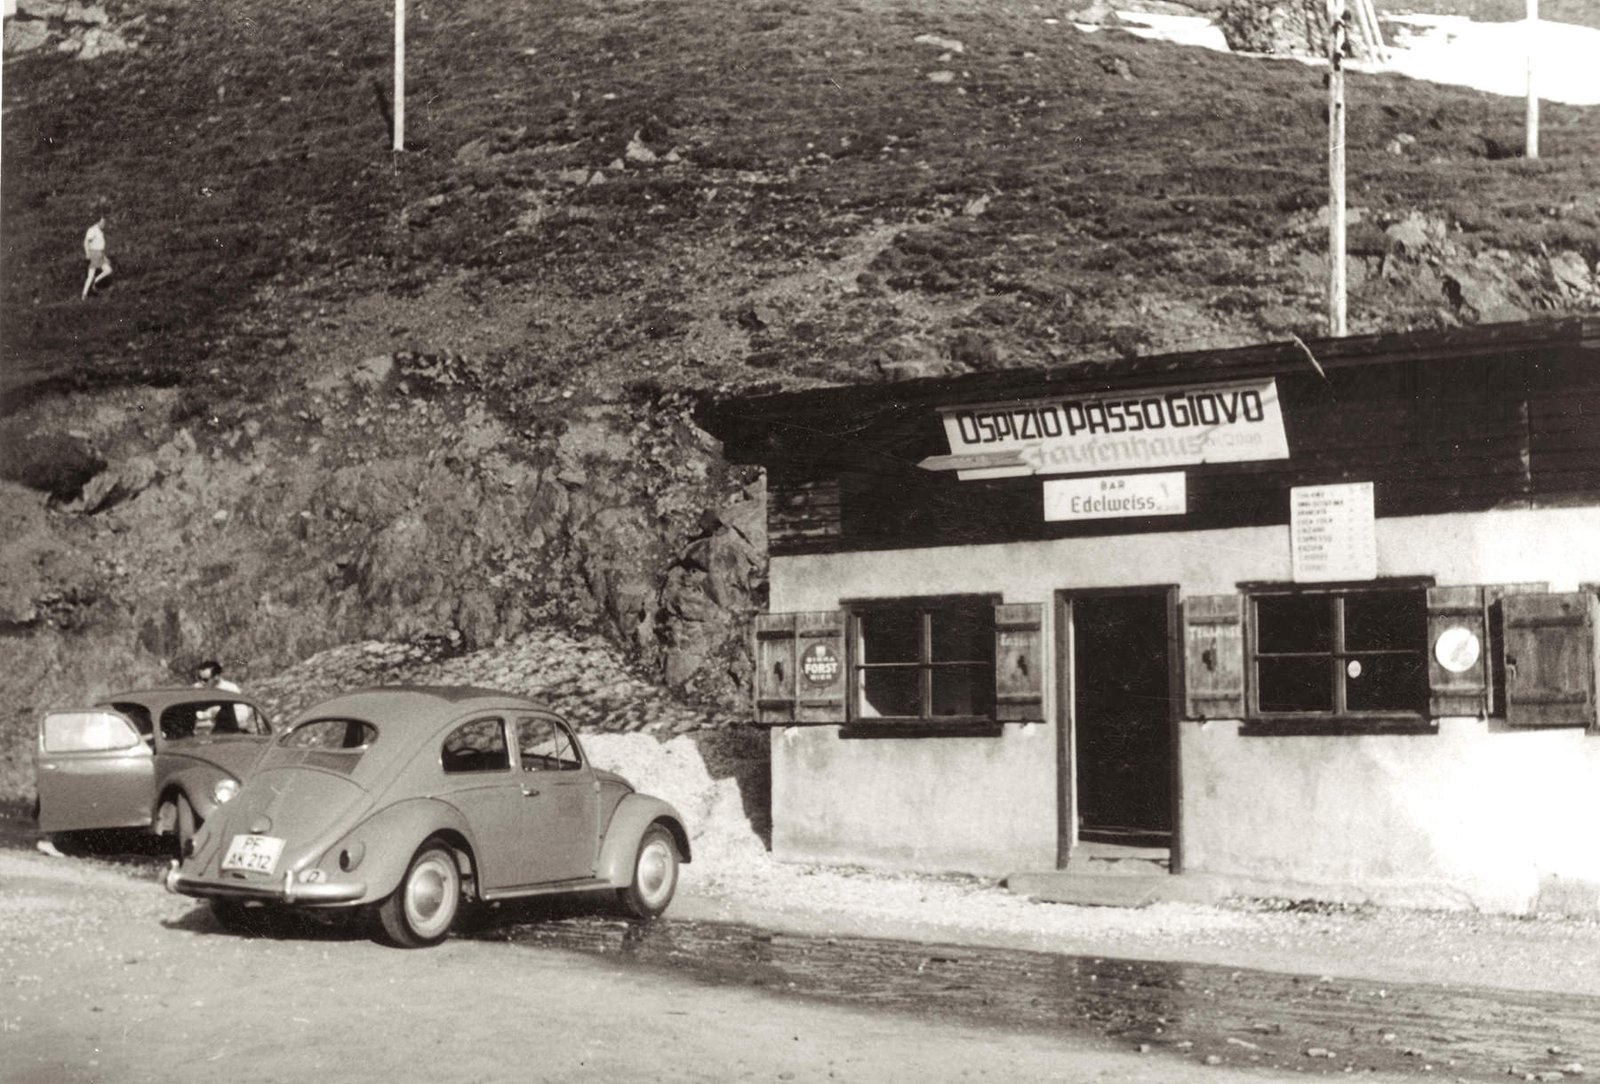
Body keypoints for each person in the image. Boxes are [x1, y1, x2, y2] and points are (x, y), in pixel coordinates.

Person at [82, 216, 112, 299]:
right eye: (102, 222)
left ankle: (94, 282)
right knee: (91, 275)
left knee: (108, 270)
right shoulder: (92, 230)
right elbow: (86, 242)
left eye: (104, 222)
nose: (104, 224)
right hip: (94, 254)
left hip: (100, 254)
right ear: (97, 222)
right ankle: (84, 294)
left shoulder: (100, 231)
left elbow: (100, 246)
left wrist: (104, 256)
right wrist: (87, 253)